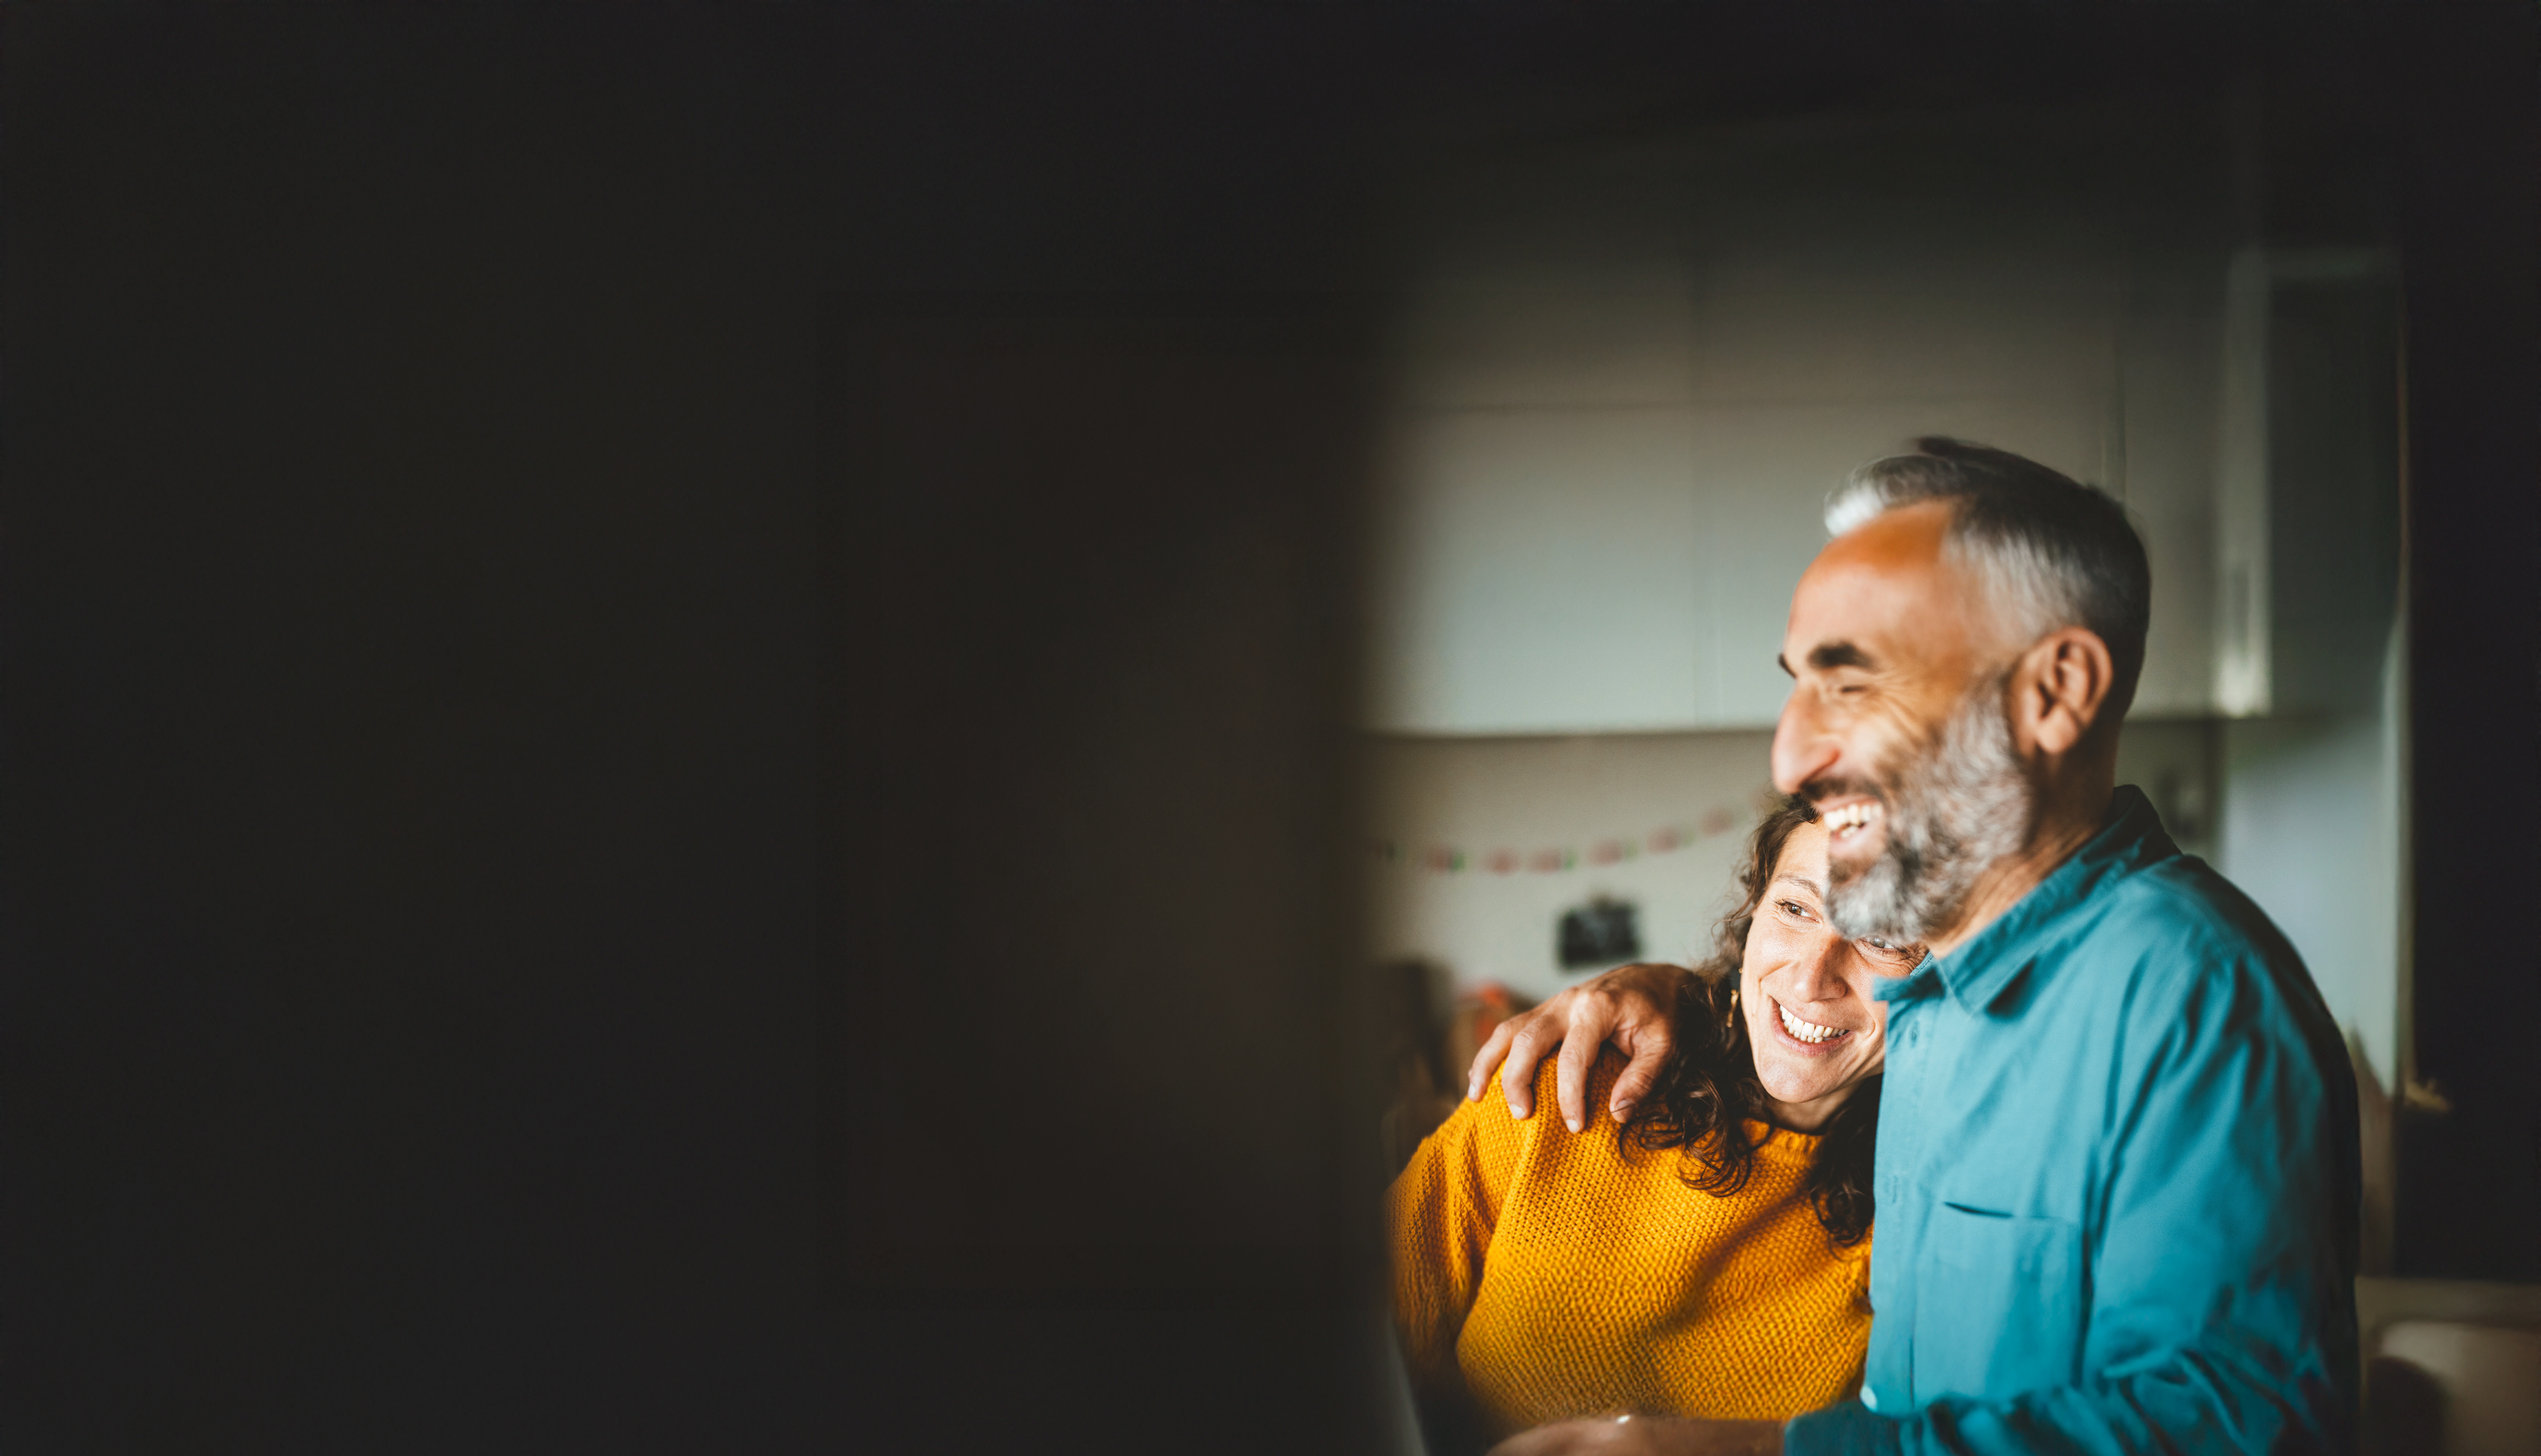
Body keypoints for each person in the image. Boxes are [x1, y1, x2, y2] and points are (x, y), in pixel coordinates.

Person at [1469, 440, 2360, 1456]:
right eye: (1798, 686)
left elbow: (2245, 1430)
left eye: (1850, 688)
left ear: (2054, 691)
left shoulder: (2191, 993)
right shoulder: (1934, 989)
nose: (1794, 752)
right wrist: (1671, 990)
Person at [1390, 798, 1919, 1454]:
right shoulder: (1566, 1086)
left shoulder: (1927, 1213)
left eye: (1885, 937)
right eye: (1795, 908)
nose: (1813, 977)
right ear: (1753, 911)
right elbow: (1340, 1361)